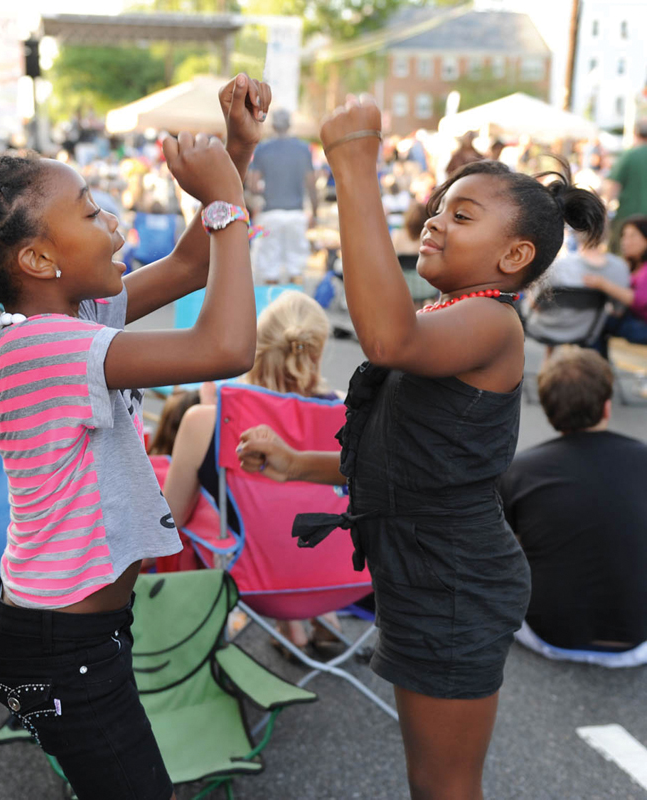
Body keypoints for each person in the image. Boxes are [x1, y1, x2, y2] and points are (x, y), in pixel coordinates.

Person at [0, 73, 271, 800]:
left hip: (66, 635)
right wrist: (226, 207)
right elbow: (225, 348)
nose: (116, 224)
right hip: (59, 649)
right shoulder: (44, 350)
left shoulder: (72, 319)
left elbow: (191, 266)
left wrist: (238, 151)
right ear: (37, 259)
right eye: (92, 213)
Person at [236, 94, 606, 800]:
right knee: (427, 781)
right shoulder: (448, 314)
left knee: (443, 787)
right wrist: (299, 464)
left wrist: (354, 167)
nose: (436, 220)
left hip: (455, 584)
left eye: (462, 216)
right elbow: (408, 462)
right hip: (423, 572)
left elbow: (386, 336)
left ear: (514, 255)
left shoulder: (491, 324)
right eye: (438, 207)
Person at [162, 291, 340, 651]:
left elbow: (170, 520)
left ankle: (290, 627)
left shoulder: (208, 420)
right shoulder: (350, 413)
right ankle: (313, 623)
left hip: (254, 584)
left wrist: (207, 422)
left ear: (257, 345)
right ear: (317, 352)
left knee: (210, 513)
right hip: (341, 582)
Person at [499, 347, 647, 667]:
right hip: (639, 642)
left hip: (549, 636)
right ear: (607, 407)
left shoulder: (519, 470)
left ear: (550, 414)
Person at [522, 225, 629, 352]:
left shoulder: (559, 265)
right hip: (586, 332)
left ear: (576, 234)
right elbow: (618, 311)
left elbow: (534, 303)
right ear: (606, 234)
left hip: (545, 327)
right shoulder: (619, 268)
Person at [248, 107, 317, 284]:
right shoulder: (303, 149)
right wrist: (314, 213)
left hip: (270, 213)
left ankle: (272, 306)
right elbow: (311, 184)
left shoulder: (262, 149)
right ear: (289, 125)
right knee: (297, 266)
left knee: (269, 267)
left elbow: (253, 185)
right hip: (296, 213)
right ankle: (296, 305)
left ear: (273, 125)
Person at [584, 215, 647, 358]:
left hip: (643, 327)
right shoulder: (632, 266)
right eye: (624, 236)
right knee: (598, 321)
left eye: (632, 236)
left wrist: (603, 284)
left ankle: (595, 369)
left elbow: (640, 300)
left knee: (598, 323)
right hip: (636, 322)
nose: (625, 241)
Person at [603, 120, 647, 252]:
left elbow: (612, 187)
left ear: (635, 134)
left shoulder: (629, 156)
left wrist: (604, 212)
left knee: (622, 258)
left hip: (628, 221)